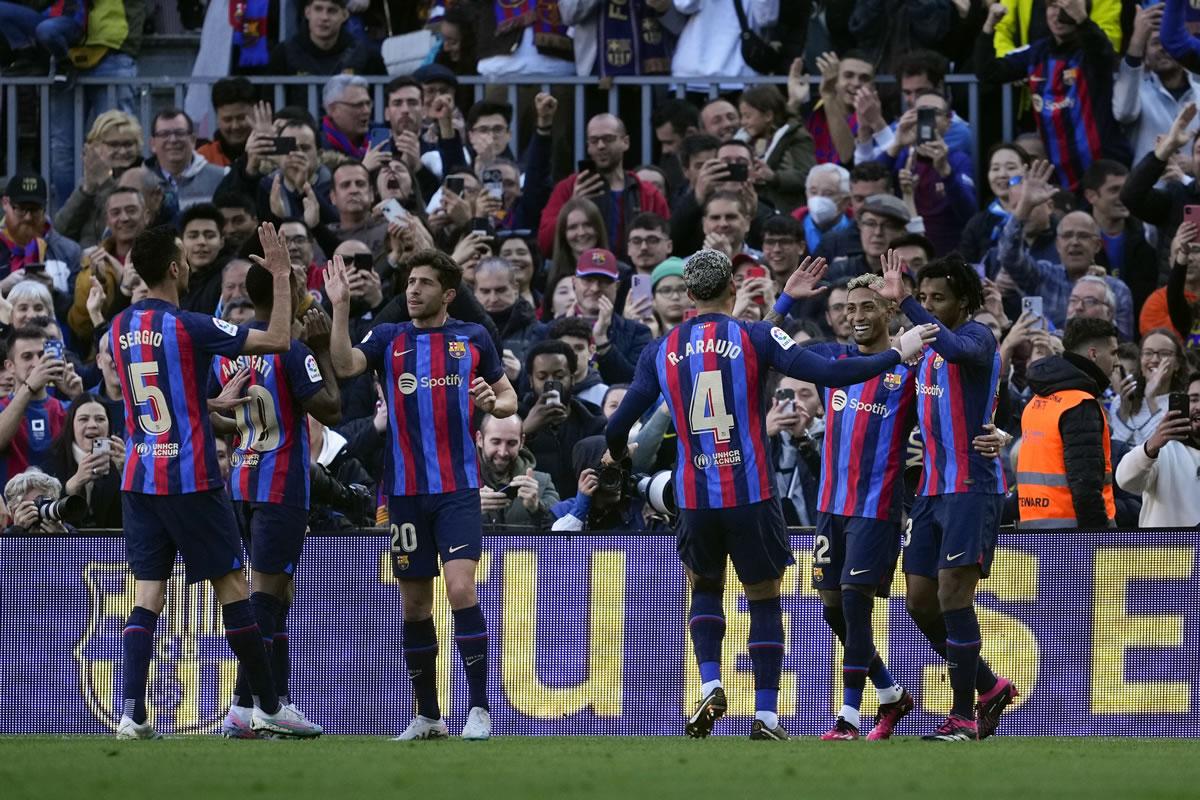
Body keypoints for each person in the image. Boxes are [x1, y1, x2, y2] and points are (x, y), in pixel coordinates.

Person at [604, 248, 936, 740]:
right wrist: (896, 352)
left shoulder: (660, 349)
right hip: (751, 493)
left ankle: (712, 682)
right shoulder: (755, 335)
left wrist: (626, 460)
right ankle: (765, 718)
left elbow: (617, 426)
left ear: (689, 296)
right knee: (762, 598)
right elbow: (826, 373)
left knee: (704, 589)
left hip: (694, 497)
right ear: (733, 290)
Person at [107, 222, 319, 739]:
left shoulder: (117, 327)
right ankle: (269, 706)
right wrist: (282, 276)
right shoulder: (188, 324)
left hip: (139, 476)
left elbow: (149, 392)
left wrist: (206, 403)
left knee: (147, 592)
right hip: (189, 478)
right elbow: (276, 339)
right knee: (233, 586)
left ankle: (132, 715)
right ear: (176, 268)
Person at [326, 248, 518, 741]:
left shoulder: (472, 338)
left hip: (457, 488)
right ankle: (428, 715)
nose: (412, 290)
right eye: (410, 282)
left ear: (447, 293)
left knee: (459, 589)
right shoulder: (390, 338)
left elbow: (508, 396)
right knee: (414, 605)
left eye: (424, 283)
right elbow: (346, 364)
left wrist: (492, 402)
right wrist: (341, 307)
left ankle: (479, 709)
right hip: (405, 492)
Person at [877, 249, 1018, 741]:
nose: (930, 305)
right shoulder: (923, 354)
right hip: (931, 492)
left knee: (954, 594)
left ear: (963, 301)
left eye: (939, 298)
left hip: (972, 488)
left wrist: (1004, 435)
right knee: (919, 601)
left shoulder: (977, 337)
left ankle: (962, 715)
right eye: (924, 297)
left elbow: (965, 357)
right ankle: (988, 685)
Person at [779, 267, 917, 741]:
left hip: (876, 509)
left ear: (888, 311)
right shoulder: (830, 361)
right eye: (847, 308)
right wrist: (786, 300)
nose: (855, 317)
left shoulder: (909, 370)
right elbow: (770, 343)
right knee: (834, 610)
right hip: (829, 509)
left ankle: (849, 718)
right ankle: (892, 693)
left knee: (856, 608)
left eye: (866, 307)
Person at [213, 268, 342, 739]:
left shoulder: (233, 352)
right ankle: (245, 707)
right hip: (281, 488)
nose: (308, 296)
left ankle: (280, 699)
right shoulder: (291, 351)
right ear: (286, 294)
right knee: (265, 599)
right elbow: (331, 407)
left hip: (242, 488)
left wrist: (247, 430)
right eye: (299, 287)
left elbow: (222, 422)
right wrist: (324, 348)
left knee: (278, 597)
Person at [977, 0, 1131, 192]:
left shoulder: (1091, 50)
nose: (1057, 15)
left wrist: (1082, 20)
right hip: (1062, 175)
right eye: (1052, 6)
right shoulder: (1036, 52)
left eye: (1066, 8)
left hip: (1104, 171)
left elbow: (1104, 55)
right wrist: (989, 27)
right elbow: (988, 73)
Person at [1016, 317, 1120, 529]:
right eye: (1113, 353)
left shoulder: (1038, 399)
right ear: (1093, 354)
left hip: (1032, 527)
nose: (1116, 361)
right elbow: (1086, 485)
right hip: (1074, 535)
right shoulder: (1079, 404)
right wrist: (1099, 536)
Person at [537, 113, 671, 261]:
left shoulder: (648, 193)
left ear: (625, 142)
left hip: (636, 277)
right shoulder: (568, 188)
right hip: (585, 278)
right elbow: (545, 245)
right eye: (594, 141)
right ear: (588, 146)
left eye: (608, 139)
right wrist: (572, 206)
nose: (601, 146)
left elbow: (666, 244)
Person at [518, 339, 607, 499]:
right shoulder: (515, 416)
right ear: (531, 381)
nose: (551, 383)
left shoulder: (592, 420)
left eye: (559, 376)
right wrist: (525, 430)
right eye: (542, 377)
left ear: (572, 379)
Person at [1114, 3, 1200, 165]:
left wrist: (1194, 165)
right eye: (1155, 42)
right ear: (1145, 54)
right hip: (1148, 187)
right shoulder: (1136, 92)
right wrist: (1137, 40)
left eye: (1168, 41)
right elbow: (1123, 113)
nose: (1164, 48)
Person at [1115, 371, 1200, 527]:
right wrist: (1151, 446)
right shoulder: (1164, 449)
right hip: (1166, 550)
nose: (1199, 407)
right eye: (1194, 399)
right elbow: (1125, 480)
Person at [55, 110, 145, 248]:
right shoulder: (92, 180)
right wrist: (87, 190)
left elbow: (119, 226)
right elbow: (61, 231)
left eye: (128, 144)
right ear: (95, 147)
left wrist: (104, 181)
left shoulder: (143, 177)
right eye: (114, 145)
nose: (122, 151)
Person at [0, 327, 70, 486]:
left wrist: (77, 396)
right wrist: (30, 386)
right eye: (27, 357)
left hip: (56, 507)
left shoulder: (65, 409)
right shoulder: (2, 407)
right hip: (11, 507)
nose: (37, 363)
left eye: (41, 355)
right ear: (10, 366)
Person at [735, 84, 817, 215]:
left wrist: (774, 177)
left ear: (768, 116)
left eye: (748, 116)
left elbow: (807, 176)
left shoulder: (796, 137)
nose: (743, 122)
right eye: (742, 116)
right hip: (754, 211)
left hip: (786, 211)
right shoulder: (745, 141)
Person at [47, 393, 125, 529]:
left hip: (112, 545)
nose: (93, 425)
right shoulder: (52, 462)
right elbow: (46, 515)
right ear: (71, 425)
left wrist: (126, 473)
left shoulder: (121, 463)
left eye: (100, 419)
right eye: (83, 419)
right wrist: (74, 484)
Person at [476, 413, 559, 529]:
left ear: (522, 442)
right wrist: (469, 512)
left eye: (511, 443)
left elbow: (560, 538)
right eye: (495, 442)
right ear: (480, 439)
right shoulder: (457, 484)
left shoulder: (542, 483)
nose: (503, 452)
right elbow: (444, 535)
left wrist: (536, 509)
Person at [1110, 328, 1189, 448]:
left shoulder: (1182, 404)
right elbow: (1113, 450)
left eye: (1164, 353)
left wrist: (1151, 399)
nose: (1155, 359)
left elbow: (1169, 451)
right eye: (1148, 353)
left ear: (1177, 364)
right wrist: (1124, 412)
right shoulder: (1121, 400)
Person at [198, 77, 257, 168]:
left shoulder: (271, 153)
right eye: (227, 119)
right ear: (217, 118)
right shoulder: (203, 157)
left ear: (255, 113)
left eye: (241, 118)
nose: (235, 126)